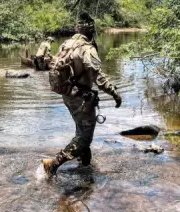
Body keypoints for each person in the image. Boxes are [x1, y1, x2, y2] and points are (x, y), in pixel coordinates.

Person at [42, 13, 122, 178]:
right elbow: (97, 76)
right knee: (84, 137)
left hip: (68, 94)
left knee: (81, 131)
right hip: (81, 99)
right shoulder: (87, 48)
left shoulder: (67, 44)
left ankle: (85, 166)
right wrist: (114, 93)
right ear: (91, 32)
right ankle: (54, 163)